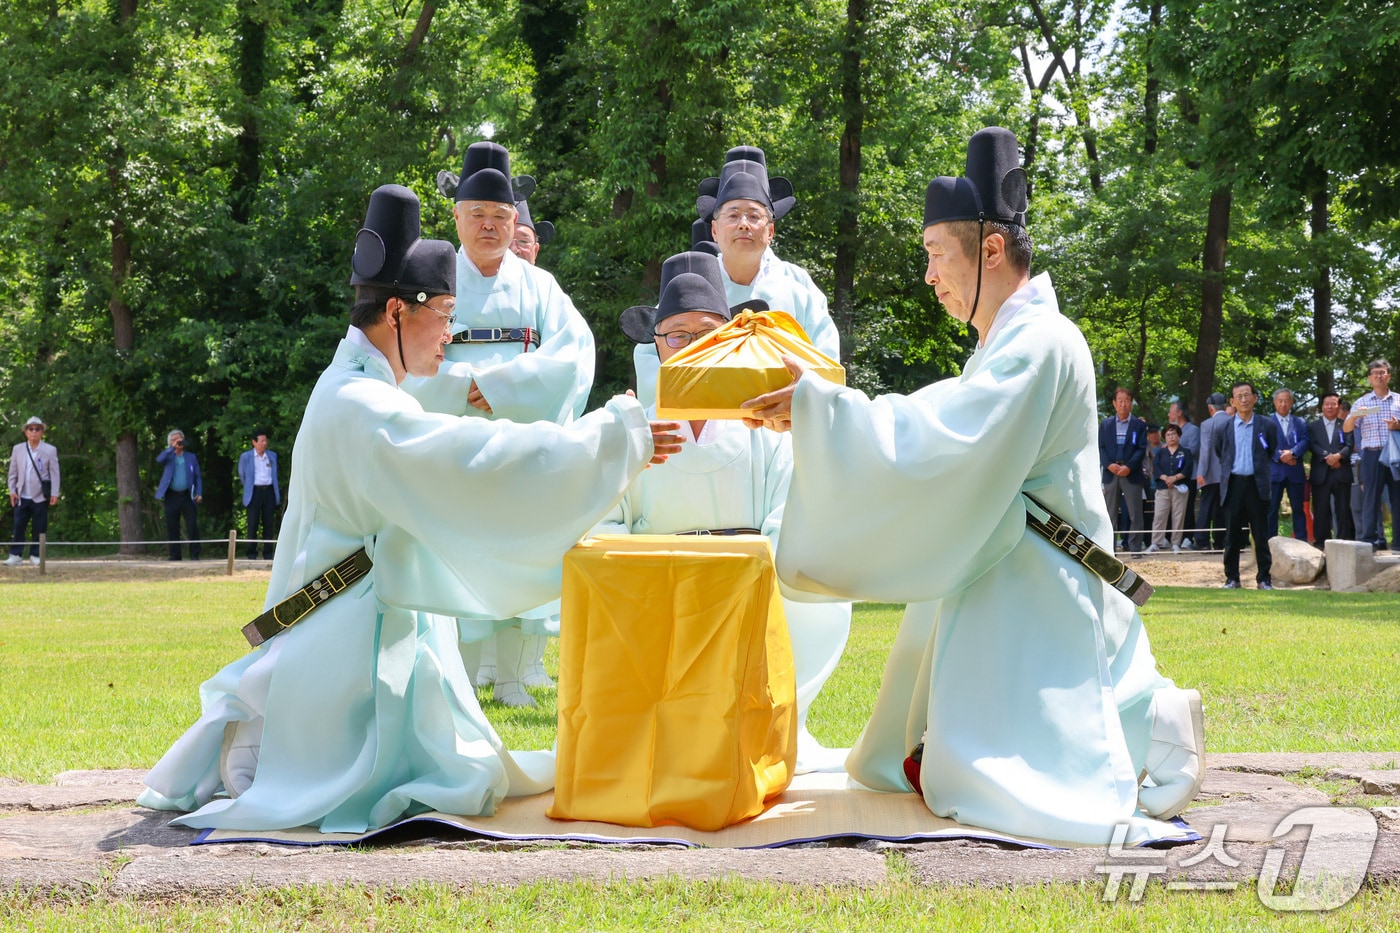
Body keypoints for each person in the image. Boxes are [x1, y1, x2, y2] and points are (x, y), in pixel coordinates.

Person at [137, 183, 680, 834]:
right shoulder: (367, 409)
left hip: (359, 623)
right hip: (340, 650)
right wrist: (615, 434)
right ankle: (272, 750)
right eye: (446, 314)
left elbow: (467, 452)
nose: (452, 336)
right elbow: (478, 461)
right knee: (460, 781)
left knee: (470, 773)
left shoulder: (356, 382)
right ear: (397, 310)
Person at [739, 127, 1201, 845]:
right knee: (939, 760)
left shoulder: (1042, 340)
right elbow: (942, 425)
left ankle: (1160, 724)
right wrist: (816, 413)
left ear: (989, 249)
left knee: (992, 775)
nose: (929, 275)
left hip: (1042, 582)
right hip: (1013, 565)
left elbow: (946, 434)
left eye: (934, 255)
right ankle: (1150, 718)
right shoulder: (1006, 344)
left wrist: (820, 407)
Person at [599, 249, 852, 774]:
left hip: (749, 599)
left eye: (709, 334)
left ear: (731, 338)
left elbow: (790, 514)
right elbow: (605, 523)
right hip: (656, 602)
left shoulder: (766, 426)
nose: (693, 348)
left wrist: (742, 573)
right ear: (657, 344)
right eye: (678, 336)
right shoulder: (629, 426)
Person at [408, 142, 596, 707]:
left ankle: (513, 679)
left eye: (499, 217)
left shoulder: (541, 287)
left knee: (522, 556)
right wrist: (455, 389)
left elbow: (574, 352)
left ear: (515, 221)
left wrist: (496, 387)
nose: (488, 226)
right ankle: (458, 679)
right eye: (477, 215)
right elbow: (404, 347)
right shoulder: (430, 272)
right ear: (457, 216)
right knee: (455, 560)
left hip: (519, 442)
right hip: (453, 441)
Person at [633, 146, 841, 406]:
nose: (744, 224)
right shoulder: (693, 283)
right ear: (715, 230)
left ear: (771, 230)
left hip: (783, 424)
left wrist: (804, 394)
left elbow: (827, 361)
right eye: (732, 215)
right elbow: (652, 344)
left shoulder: (798, 290)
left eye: (755, 216)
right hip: (709, 422)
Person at [1216, 381, 1279, 589]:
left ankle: (1264, 579)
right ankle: (1232, 578)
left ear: (1255, 398)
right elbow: (1220, 452)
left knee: (1260, 534)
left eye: (1247, 395)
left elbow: (1269, 451)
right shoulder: (1224, 426)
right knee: (1232, 535)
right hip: (1233, 484)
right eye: (1238, 396)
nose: (1243, 400)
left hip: (1256, 484)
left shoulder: (1266, 425)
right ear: (1232, 402)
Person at [1343, 360, 1400, 551]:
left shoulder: (1399, 400)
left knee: (1397, 498)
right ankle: (1370, 541)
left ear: (1389, 376)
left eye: (1382, 372)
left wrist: (1397, 425)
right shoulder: (1362, 402)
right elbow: (1346, 428)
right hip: (1372, 455)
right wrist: (1354, 416)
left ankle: (1398, 543)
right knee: (1370, 498)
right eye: (1374, 373)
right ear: (1369, 378)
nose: (1378, 376)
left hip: (1395, 456)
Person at [1099, 388, 1147, 553]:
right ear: (1114, 403)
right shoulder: (1105, 424)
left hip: (1131, 473)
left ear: (1131, 403)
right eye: (1120, 400)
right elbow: (1100, 447)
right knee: (1109, 514)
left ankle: (1135, 547)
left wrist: (1128, 467)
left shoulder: (1139, 425)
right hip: (1111, 473)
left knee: (1135, 513)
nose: (1123, 404)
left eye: (1127, 400)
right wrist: (1109, 465)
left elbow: (1141, 449)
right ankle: (1109, 549)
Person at [6, 416, 60, 566]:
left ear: (42, 431)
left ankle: (36, 555)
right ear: (26, 432)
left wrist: (55, 493)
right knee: (18, 526)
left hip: (40, 496)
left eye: (38, 429)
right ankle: (15, 555)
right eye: (31, 429)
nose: (34, 432)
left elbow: (55, 473)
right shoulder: (18, 449)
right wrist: (12, 490)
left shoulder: (50, 450)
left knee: (40, 527)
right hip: (21, 494)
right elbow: (13, 473)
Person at [1308, 392, 1354, 545]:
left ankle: (1344, 541)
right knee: (1321, 509)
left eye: (1333, 403)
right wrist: (1328, 456)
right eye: (1326, 403)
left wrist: (1338, 457)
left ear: (1339, 406)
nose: (1330, 407)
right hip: (1321, 472)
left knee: (1343, 509)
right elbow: (1312, 445)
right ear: (1322, 406)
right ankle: (1322, 541)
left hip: (1341, 470)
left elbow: (1349, 445)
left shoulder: (1346, 424)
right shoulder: (1313, 426)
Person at [1267, 388, 1309, 541]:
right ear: (1274, 402)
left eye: (1286, 400)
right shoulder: (1267, 422)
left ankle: (1301, 541)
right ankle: (1271, 542)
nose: (1283, 404)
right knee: (1271, 510)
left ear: (1291, 402)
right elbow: (1264, 444)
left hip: (1294, 470)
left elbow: (1305, 441)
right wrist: (1280, 456)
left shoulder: (1300, 422)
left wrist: (1292, 453)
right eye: (1280, 400)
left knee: (1298, 508)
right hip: (1274, 472)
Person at [156, 430, 203, 561]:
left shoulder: (191, 457)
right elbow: (159, 460)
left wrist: (199, 493)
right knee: (172, 525)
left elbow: (198, 476)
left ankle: (194, 554)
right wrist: (172, 448)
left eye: (180, 439)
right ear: (170, 442)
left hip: (188, 495)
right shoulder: (168, 456)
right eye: (175, 439)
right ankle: (175, 555)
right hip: (171, 495)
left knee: (192, 525)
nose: (179, 441)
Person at [1193, 393, 1232, 550]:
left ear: (1210, 408)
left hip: (1210, 473)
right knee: (1223, 508)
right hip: (1230, 473)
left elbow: (1206, 449)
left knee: (1206, 506)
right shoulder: (1233, 421)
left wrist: (1201, 472)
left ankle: (1202, 541)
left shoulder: (1208, 424)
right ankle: (1220, 541)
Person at [1147, 424, 1193, 553]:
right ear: (1165, 437)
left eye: (1174, 434)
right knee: (1159, 516)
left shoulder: (1185, 452)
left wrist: (1175, 478)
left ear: (1178, 436)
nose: (1171, 437)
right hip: (1162, 488)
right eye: (1168, 435)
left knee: (1178, 516)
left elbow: (1187, 468)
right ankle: (1155, 543)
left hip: (1179, 488)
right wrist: (1166, 478)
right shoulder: (1160, 452)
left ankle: (1176, 543)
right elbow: (1156, 468)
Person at [237, 431, 280, 560]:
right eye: (262, 441)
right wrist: (250, 487)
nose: (265, 443)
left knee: (268, 523)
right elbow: (242, 475)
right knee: (253, 523)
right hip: (254, 492)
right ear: (254, 442)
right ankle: (251, 553)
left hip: (269, 492)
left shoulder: (272, 456)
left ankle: (268, 553)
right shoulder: (246, 457)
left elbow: (274, 474)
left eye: (266, 441)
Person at [1168, 402, 1199, 548]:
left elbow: (1192, 451)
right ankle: (1172, 537)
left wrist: (1175, 450)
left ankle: (1188, 537)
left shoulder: (1193, 430)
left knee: (1188, 508)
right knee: (1171, 508)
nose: (1169, 415)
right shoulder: (1170, 430)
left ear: (1179, 413)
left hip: (1188, 476)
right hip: (1171, 477)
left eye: (1171, 412)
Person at [510, 199, 554, 266]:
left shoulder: (545, 276)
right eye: (506, 241)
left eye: (523, 241)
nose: (513, 250)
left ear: (535, 250)